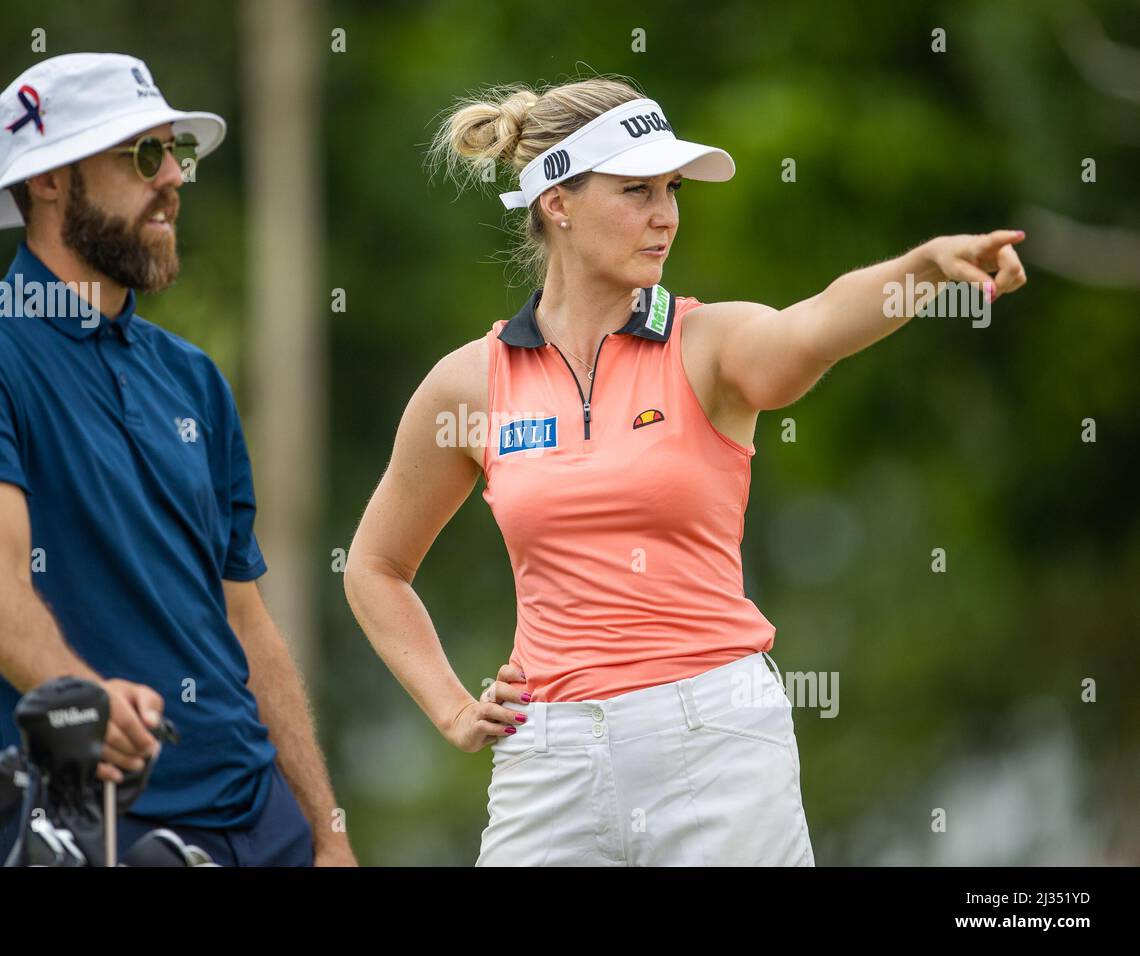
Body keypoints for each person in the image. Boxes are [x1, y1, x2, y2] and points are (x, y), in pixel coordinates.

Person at [343, 76, 1027, 866]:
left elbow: (817, 327)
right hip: (547, 759)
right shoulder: (470, 383)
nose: (665, 213)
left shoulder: (708, 346)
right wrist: (454, 709)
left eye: (670, 189)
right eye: (635, 190)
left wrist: (925, 268)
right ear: (557, 202)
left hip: (718, 743)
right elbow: (375, 567)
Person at [0, 52, 354, 867]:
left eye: (177, 152)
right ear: (49, 182)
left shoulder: (194, 379)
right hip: (93, 829)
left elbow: (247, 623)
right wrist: (85, 700)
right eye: (143, 155)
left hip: (264, 821)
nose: (174, 177)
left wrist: (325, 829)